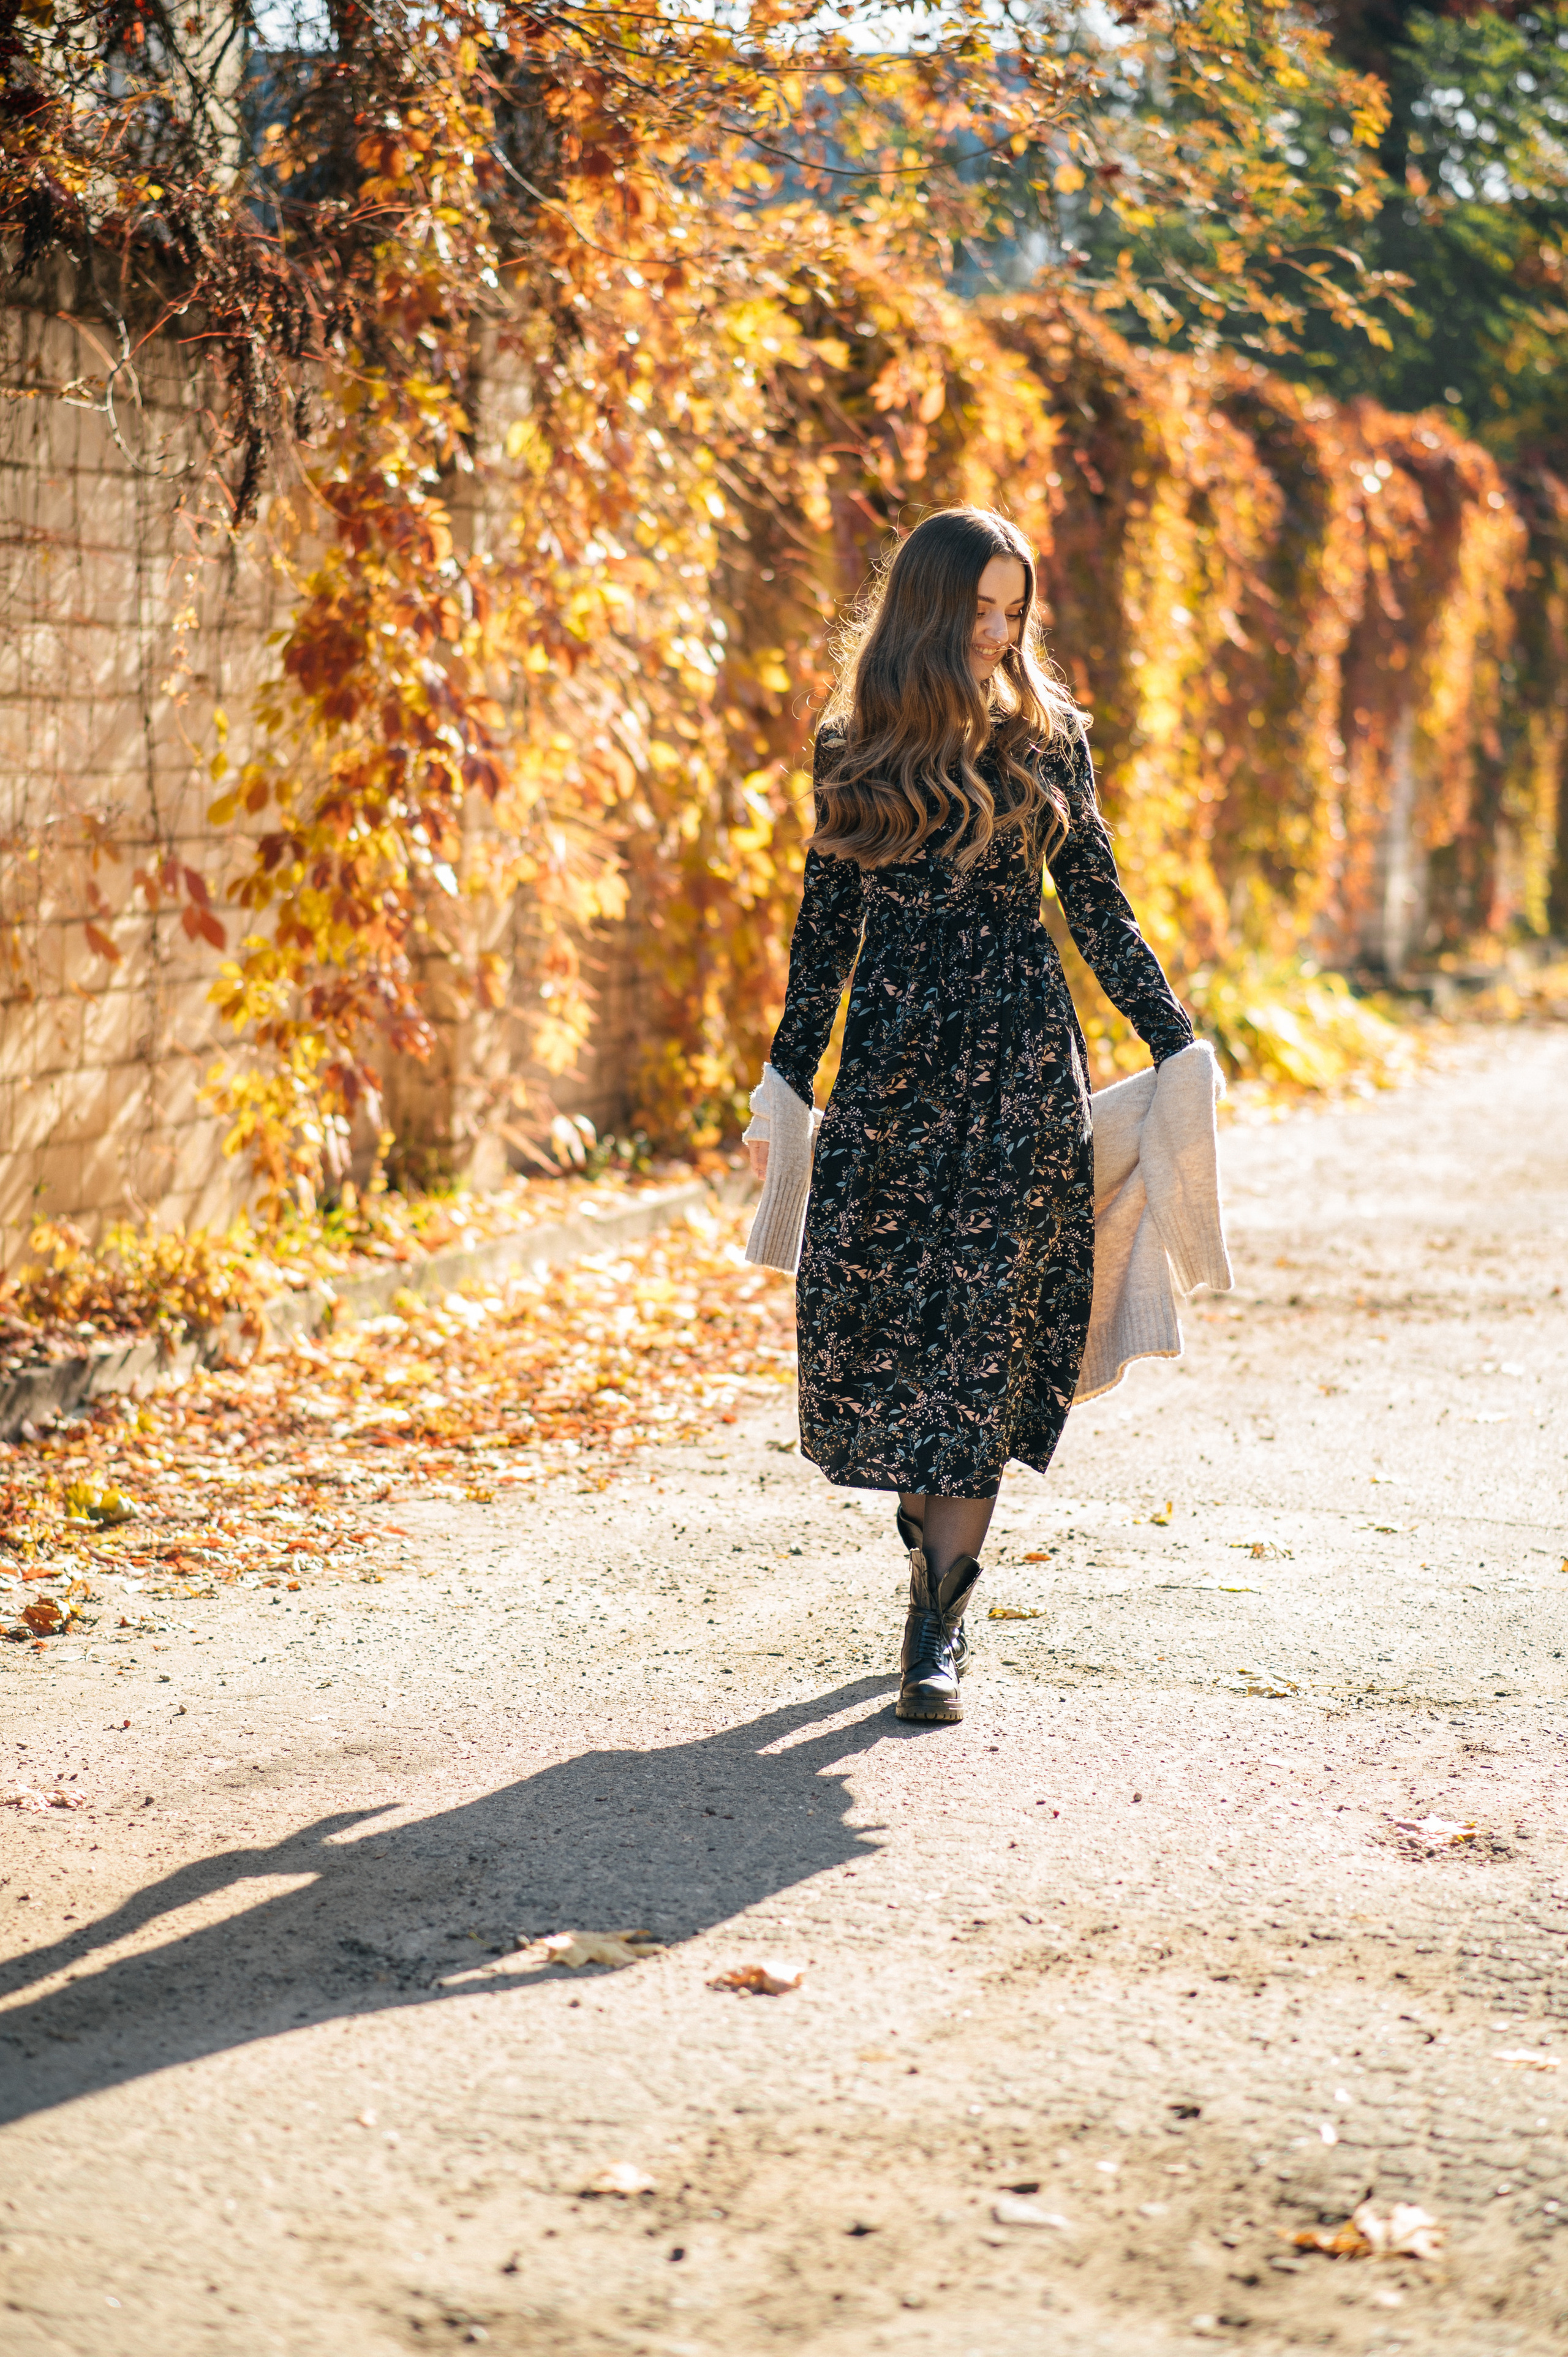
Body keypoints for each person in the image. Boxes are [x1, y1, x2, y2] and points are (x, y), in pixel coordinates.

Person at [744, 507, 1194, 1724]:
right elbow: (822, 933)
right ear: (928, 614)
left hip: (1015, 1072)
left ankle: (936, 1622)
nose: (998, 634)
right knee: (895, 1329)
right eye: (979, 611)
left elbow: (1097, 908)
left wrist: (1175, 1040)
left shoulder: (1050, 741)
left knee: (989, 1341)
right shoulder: (855, 745)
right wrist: (783, 1080)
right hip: (890, 1080)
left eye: (1014, 612)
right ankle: (923, 1524)